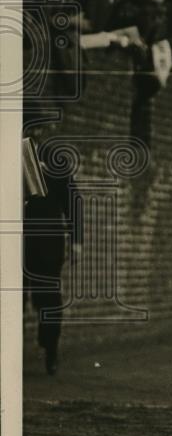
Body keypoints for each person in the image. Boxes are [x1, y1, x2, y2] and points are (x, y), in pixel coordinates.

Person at [23, 125, 82, 375]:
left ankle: (50, 348)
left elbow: (72, 200)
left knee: (48, 297)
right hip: (16, 239)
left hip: (47, 241)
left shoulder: (54, 157)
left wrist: (76, 240)